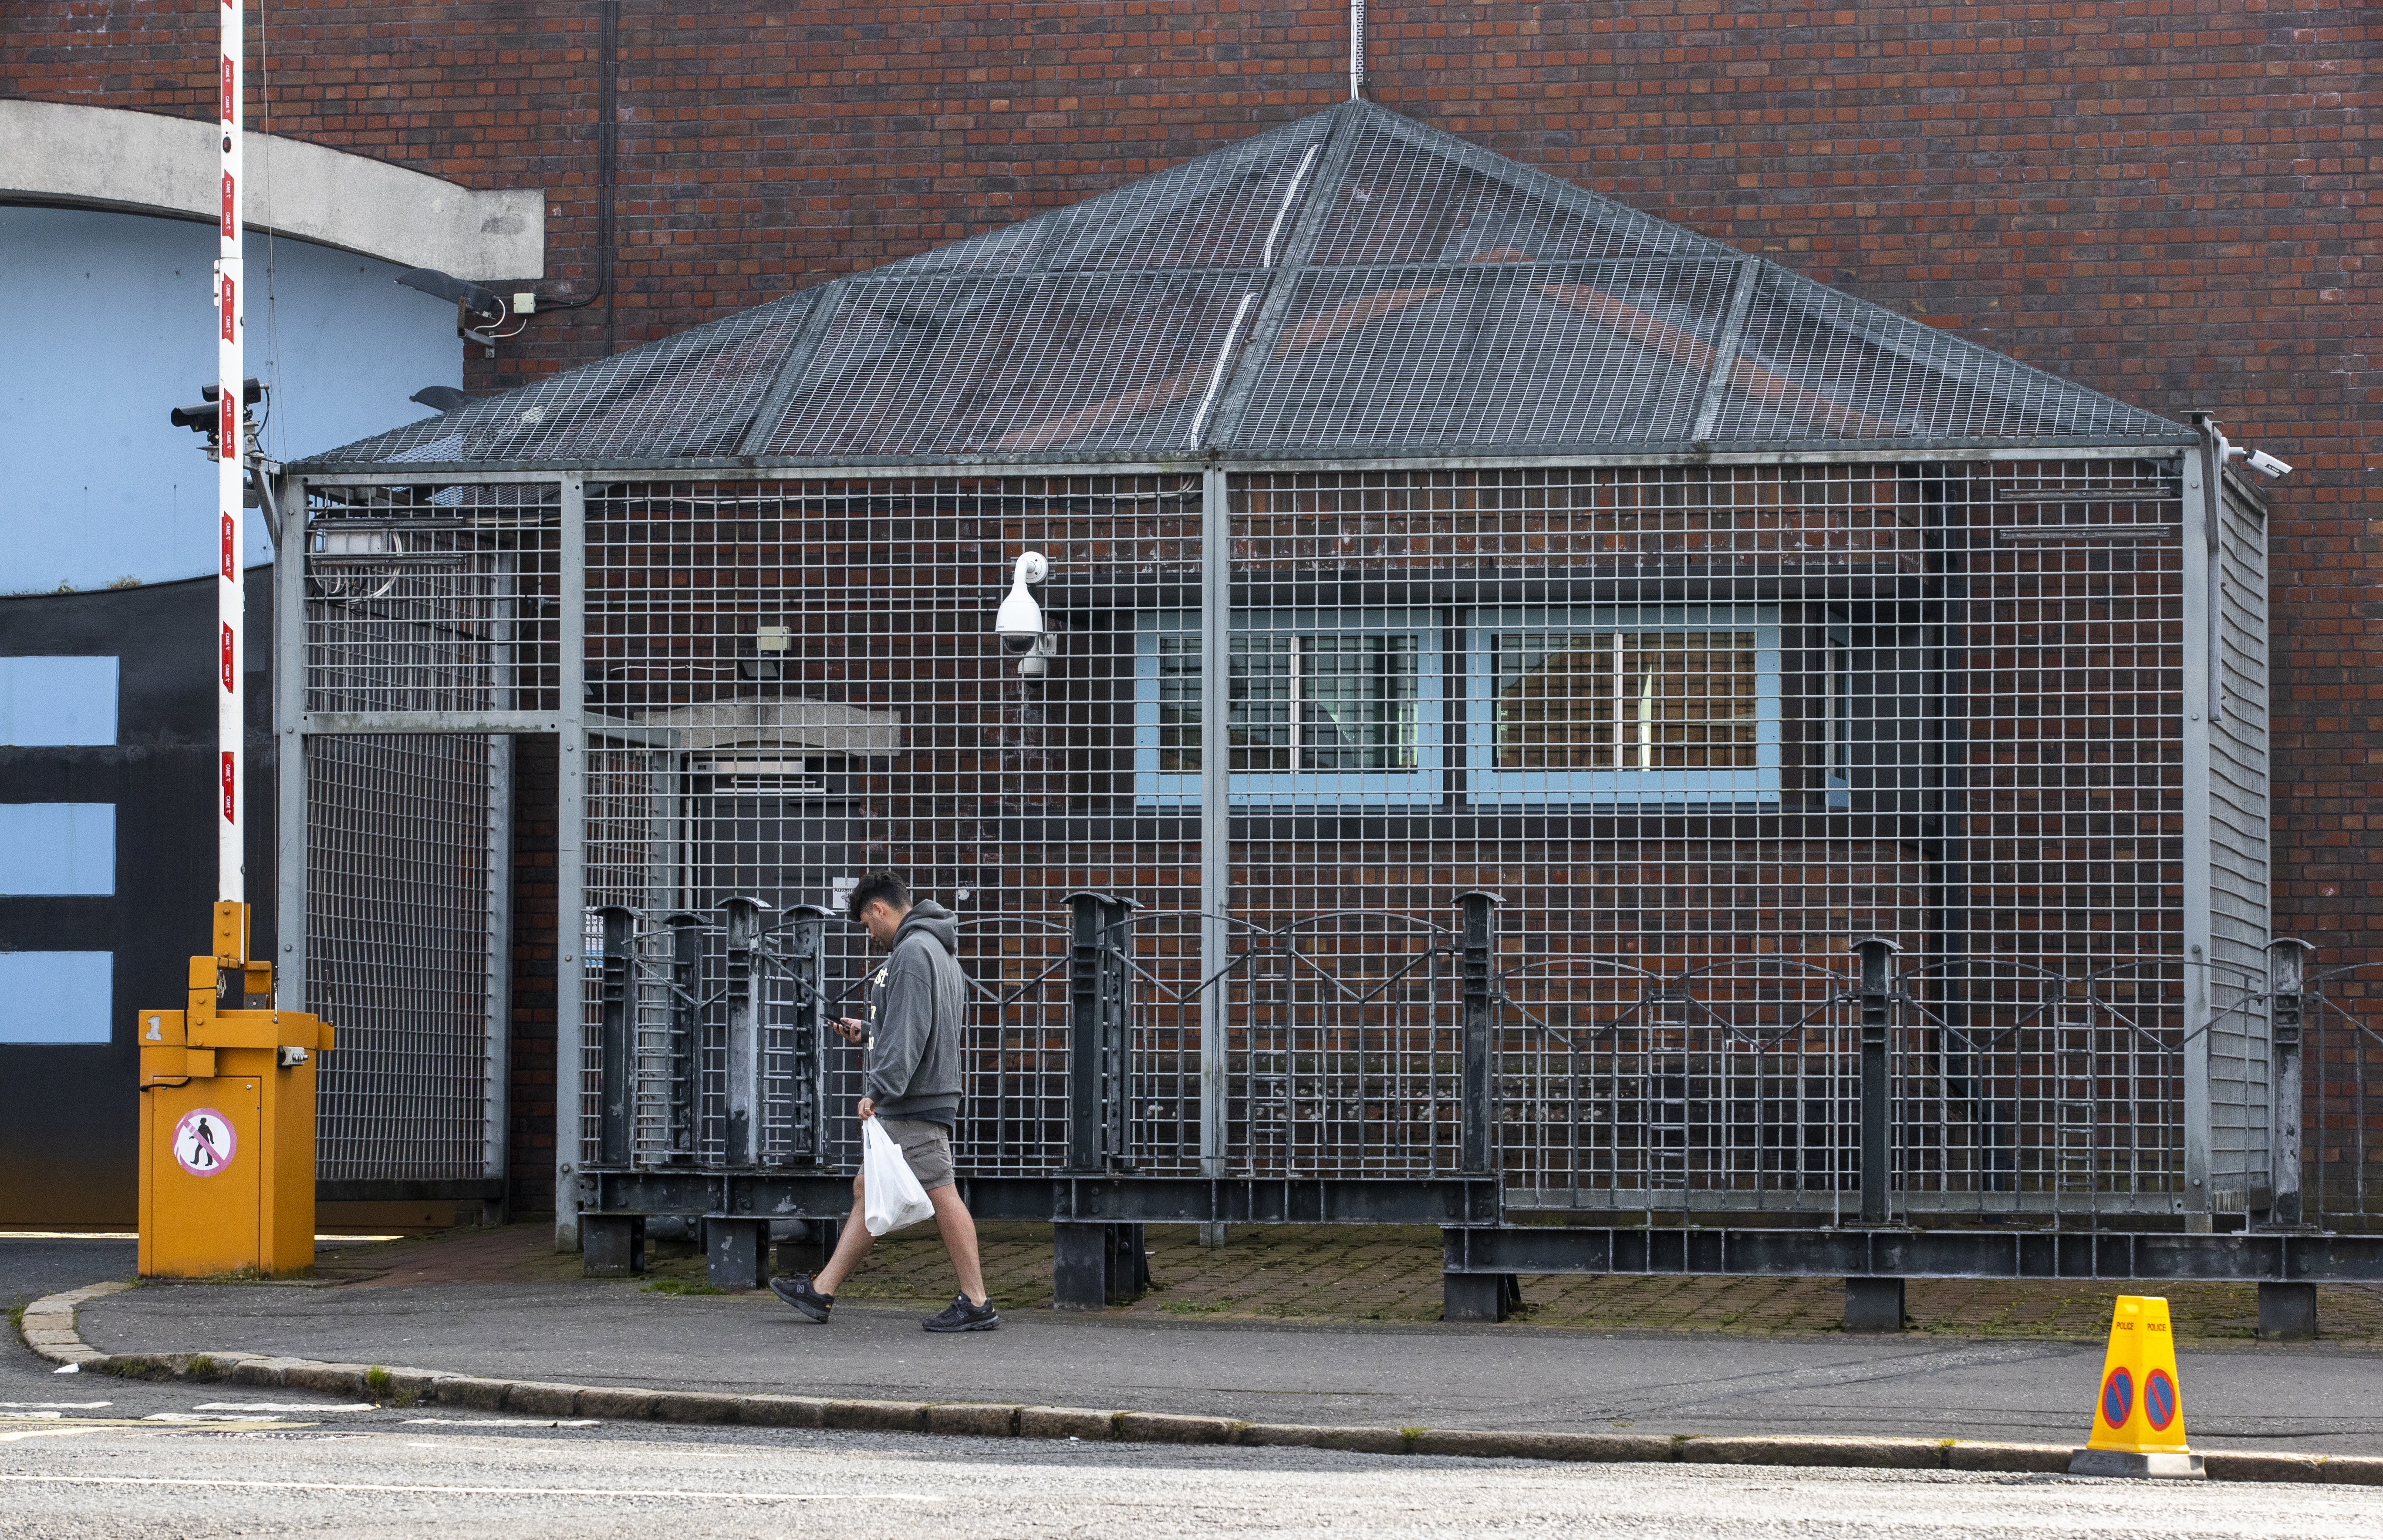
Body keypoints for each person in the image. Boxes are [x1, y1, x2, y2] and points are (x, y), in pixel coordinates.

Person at [770, 871, 998, 1332]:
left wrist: (878, 1088)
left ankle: (976, 1300)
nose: (867, 934)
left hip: (913, 1097)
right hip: (923, 1089)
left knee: (943, 1193)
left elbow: (911, 1034)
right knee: (868, 1189)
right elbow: (917, 1027)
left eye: (865, 923)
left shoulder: (912, 953)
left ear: (879, 908)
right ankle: (821, 1290)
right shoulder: (939, 950)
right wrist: (868, 1032)